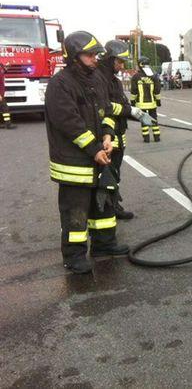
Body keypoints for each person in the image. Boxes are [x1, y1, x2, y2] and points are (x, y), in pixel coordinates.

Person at [45, 31, 130, 274]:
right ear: (73, 56)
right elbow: (70, 123)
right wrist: (94, 149)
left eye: (96, 54)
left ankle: (104, 245)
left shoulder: (96, 80)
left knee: (103, 204)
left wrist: (107, 135)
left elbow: (106, 112)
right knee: (76, 212)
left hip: (97, 158)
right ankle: (74, 256)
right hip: (73, 164)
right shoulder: (60, 84)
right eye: (89, 54)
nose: (95, 59)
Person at [98, 40, 155, 220]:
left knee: (115, 173)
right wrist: (130, 110)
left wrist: (135, 114)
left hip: (118, 133)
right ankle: (107, 211)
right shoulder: (99, 78)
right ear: (109, 59)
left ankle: (113, 205)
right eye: (119, 61)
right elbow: (105, 106)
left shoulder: (113, 80)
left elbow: (121, 104)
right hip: (107, 136)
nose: (122, 66)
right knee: (107, 175)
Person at [131, 56, 162, 142]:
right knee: (154, 119)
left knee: (144, 120)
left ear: (140, 65)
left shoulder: (136, 77)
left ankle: (146, 138)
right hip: (152, 103)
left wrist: (132, 102)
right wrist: (158, 100)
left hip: (141, 104)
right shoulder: (153, 76)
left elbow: (134, 91)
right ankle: (157, 137)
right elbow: (157, 90)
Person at [0, 62, 15, 129]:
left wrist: (7, 67)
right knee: (5, 108)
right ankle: (8, 124)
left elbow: (4, 72)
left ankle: (6, 124)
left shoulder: (1, 70)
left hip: (1, 93)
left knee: (3, 109)